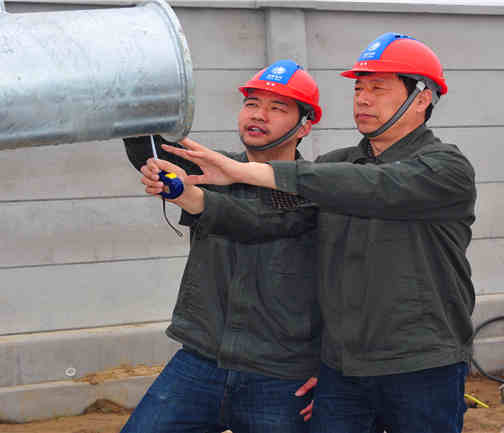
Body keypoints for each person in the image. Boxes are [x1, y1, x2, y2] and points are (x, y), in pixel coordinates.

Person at [159, 32, 477, 433]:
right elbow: (271, 222)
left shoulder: (446, 168)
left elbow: (375, 187)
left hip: (421, 366)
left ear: (422, 98)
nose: (362, 100)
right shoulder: (334, 165)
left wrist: (246, 171)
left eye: (377, 88)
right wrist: (192, 198)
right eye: (358, 89)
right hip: (342, 372)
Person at [119, 59, 323, 433]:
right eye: (252, 104)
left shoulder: (318, 190)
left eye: (277, 108)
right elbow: (148, 148)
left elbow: (348, 290)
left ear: (305, 125)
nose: (258, 115)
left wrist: (333, 372)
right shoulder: (210, 170)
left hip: (281, 376)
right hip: (201, 362)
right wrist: (136, 83)